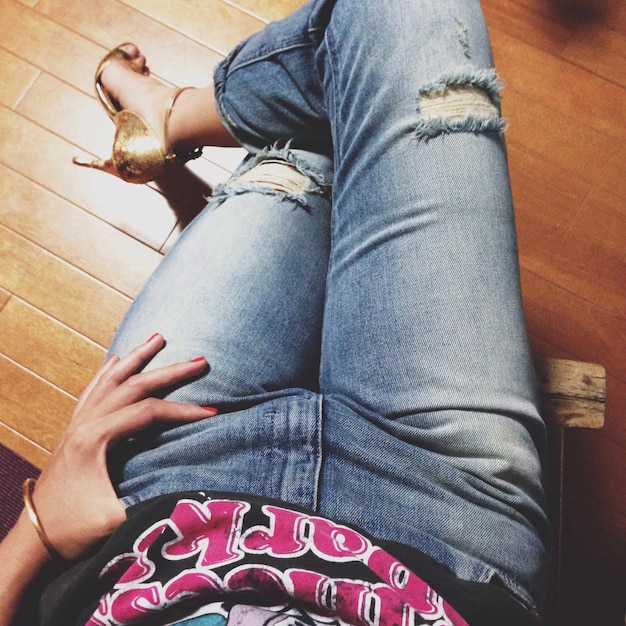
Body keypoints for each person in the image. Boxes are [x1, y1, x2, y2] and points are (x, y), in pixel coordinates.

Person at [0, 0, 551, 624]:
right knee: (359, 80)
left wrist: (36, 530)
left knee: (312, 127)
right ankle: (170, 115)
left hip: (176, 485)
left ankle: (168, 116)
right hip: (447, 517)